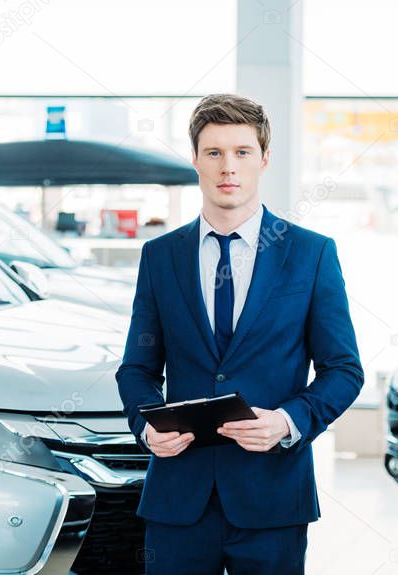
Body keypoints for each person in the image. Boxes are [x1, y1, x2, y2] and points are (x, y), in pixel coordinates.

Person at [116, 93, 363, 574]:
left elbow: (344, 370)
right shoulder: (161, 256)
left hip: (272, 495)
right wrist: (145, 428)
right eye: (214, 153)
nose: (228, 167)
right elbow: (137, 368)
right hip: (178, 498)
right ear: (195, 160)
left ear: (264, 159)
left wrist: (289, 421)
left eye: (242, 152)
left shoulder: (311, 254)